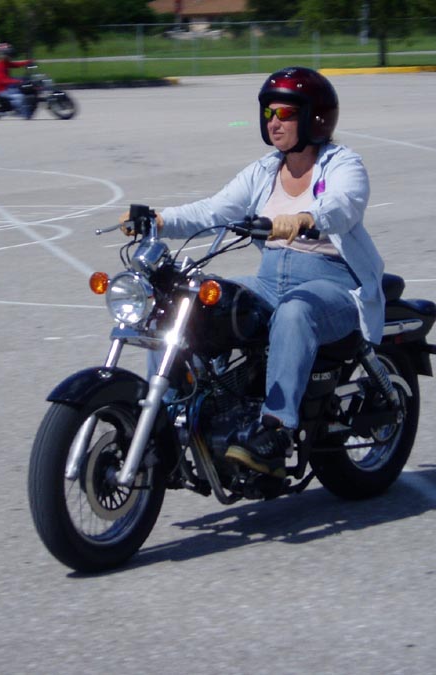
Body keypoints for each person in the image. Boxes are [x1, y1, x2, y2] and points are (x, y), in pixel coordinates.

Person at [122, 66, 385, 478]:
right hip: (268, 281)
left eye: (285, 113)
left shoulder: (342, 164)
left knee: (294, 313)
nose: (274, 122)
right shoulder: (265, 171)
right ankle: (172, 413)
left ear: (315, 117)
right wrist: (158, 220)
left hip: (332, 284)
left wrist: (305, 217)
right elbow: (213, 210)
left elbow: (344, 204)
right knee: (185, 302)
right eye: (268, 114)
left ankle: (276, 430)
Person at [0, 42, 34, 119]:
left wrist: (27, 62)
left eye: (10, 53)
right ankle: (21, 112)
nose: (10, 56)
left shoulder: (4, 63)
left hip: (7, 87)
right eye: (8, 54)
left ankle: (29, 107)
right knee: (20, 96)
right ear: (2, 54)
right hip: (2, 90)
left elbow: (15, 64)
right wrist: (17, 81)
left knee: (25, 84)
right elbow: (2, 80)